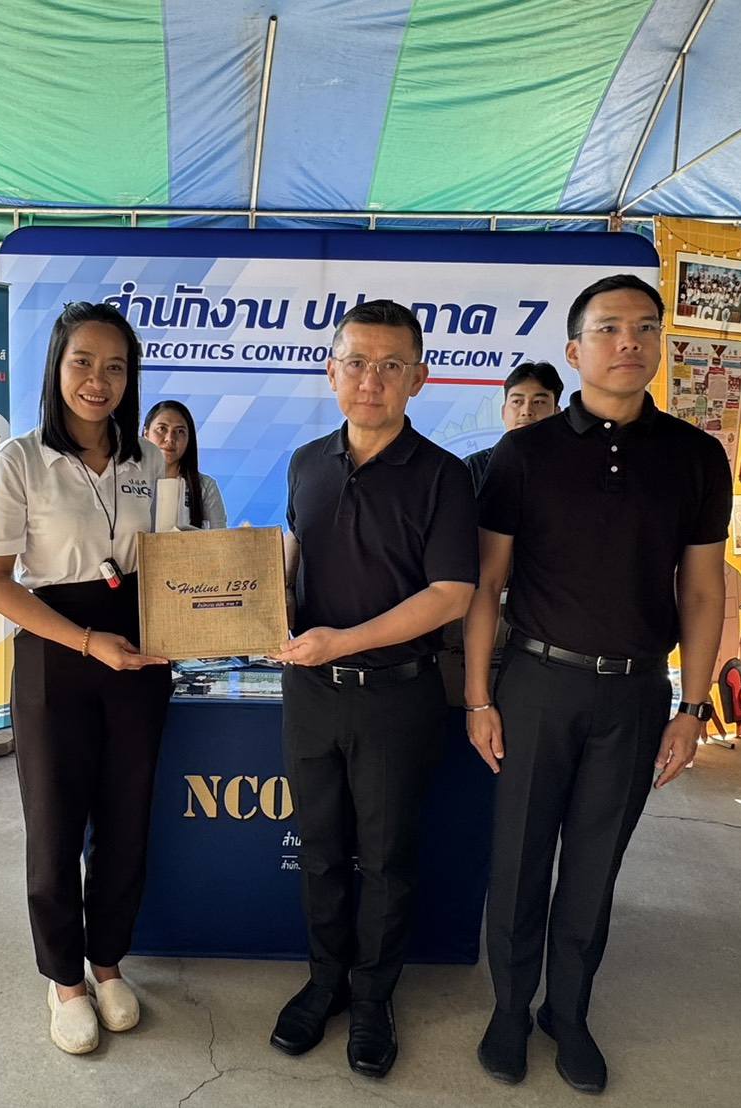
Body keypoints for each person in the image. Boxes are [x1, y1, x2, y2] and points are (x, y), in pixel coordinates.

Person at [465, 274, 729, 1093]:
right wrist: (478, 697)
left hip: (635, 694)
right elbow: (486, 585)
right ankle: (510, 1009)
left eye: (645, 328)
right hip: (536, 685)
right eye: (609, 328)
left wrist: (691, 707)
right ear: (575, 350)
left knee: (593, 863)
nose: (628, 342)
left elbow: (702, 591)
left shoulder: (694, 456)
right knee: (516, 860)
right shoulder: (523, 454)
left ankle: (568, 1013)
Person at [271, 300, 478, 1080]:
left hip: (396, 695)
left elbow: (450, 595)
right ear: (331, 371)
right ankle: (324, 981)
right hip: (309, 694)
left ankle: (371, 997)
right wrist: (258, 606)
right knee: (320, 851)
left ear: (418, 379)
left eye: (391, 366)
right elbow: (293, 557)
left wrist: (342, 641)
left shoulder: (444, 476)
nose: (371, 380)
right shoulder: (305, 462)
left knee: (386, 860)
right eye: (356, 362)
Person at [0, 301, 169, 1057]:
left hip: (139, 652)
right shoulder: (19, 460)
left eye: (115, 366)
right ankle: (64, 981)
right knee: (54, 826)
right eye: (83, 362)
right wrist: (87, 642)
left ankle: (108, 963)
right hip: (57, 650)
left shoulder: (147, 460)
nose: (98, 380)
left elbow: (166, 561)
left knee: (126, 821)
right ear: (57, 366)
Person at [463, 362, 564, 492]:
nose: (526, 411)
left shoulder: (572, 467)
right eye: (517, 402)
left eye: (538, 402)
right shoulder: (471, 468)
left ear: (557, 413)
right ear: (503, 412)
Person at [143, 399, 226, 528]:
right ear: (146, 433)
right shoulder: (127, 480)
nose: (170, 439)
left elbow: (220, 536)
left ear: (189, 439)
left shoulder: (205, 487)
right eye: (162, 429)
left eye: (180, 431)